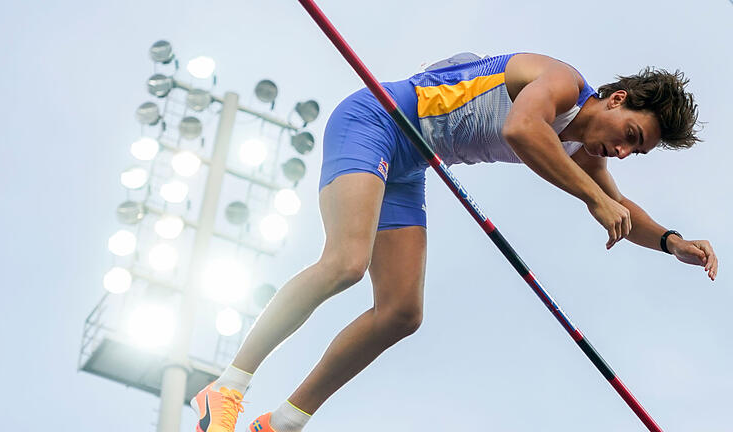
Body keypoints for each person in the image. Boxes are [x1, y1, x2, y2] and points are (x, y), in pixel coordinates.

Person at [191, 52, 719, 432]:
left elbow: (622, 210)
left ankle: (280, 424)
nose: (623, 152)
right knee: (345, 263)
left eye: (637, 151)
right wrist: (594, 199)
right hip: (376, 121)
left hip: (409, 161)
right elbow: (520, 128)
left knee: (401, 312)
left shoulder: (585, 150)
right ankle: (228, 388)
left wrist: (672, 241)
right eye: (631, 134)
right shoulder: (562, 81)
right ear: (618, 100)